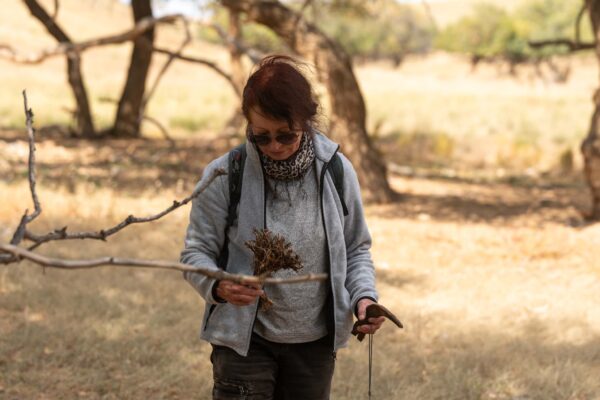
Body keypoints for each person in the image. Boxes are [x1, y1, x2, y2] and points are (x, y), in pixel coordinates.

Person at [180, 55, 386, 400]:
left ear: (306, 121)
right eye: (262, 137)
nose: (274, 147)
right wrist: (219, 285)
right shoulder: (223, 175)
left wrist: (364, 298)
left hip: (314, 349)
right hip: (243, 346)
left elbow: (355, 249)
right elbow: (195, 251)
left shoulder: (336, 171)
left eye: (286, 135)